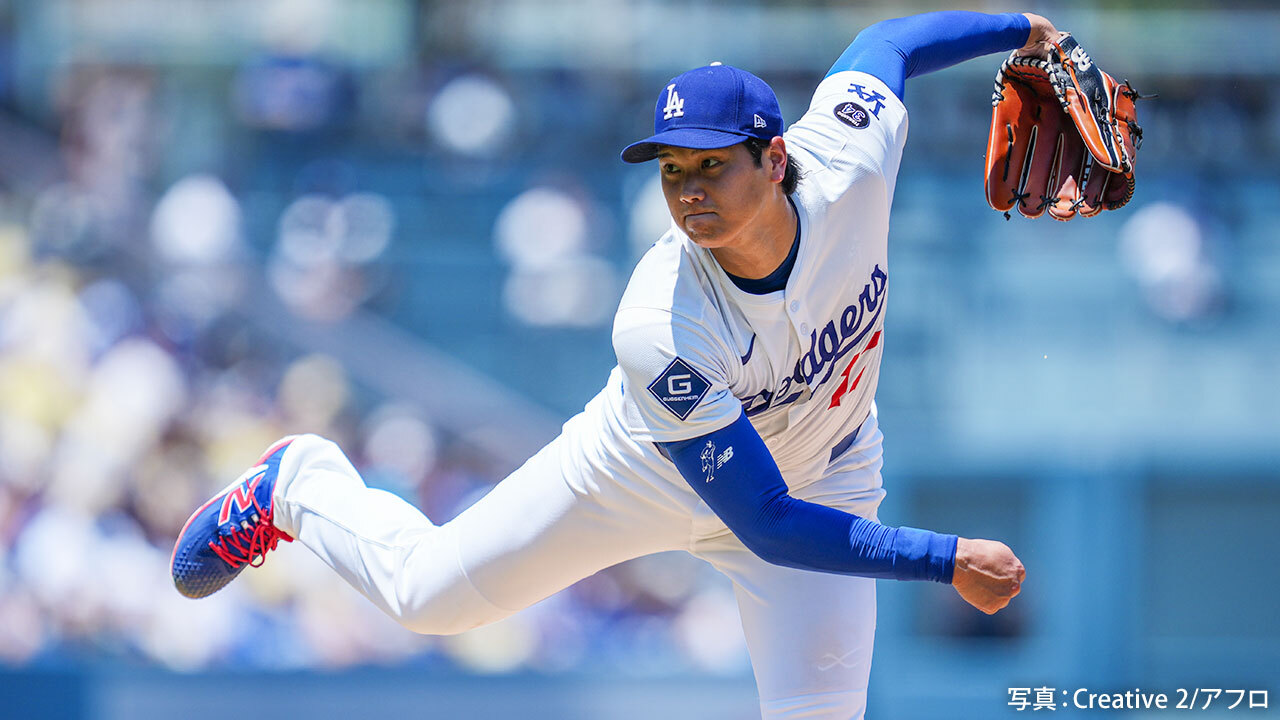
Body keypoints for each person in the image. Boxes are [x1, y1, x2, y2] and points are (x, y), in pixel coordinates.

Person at [172, 10, 1054, 718]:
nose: (689, 191)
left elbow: (886, 44)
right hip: (645, 476)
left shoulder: (849, 160)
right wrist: (942, 558)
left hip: (826, 470)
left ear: (775, 158)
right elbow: (768, 524)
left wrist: (1025, 30)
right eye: (672, 170)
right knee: (429, 597)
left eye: (711, 164)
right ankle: (297, 484)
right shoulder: (659, 324)